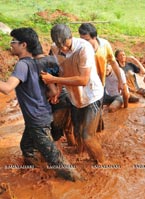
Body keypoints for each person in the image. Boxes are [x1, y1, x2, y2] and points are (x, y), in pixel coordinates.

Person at [0, 27, 80, 181]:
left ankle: (78, 183)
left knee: (56, 160)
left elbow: (7, 88)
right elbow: (51, 91)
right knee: (27, 148)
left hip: (37, 120)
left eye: (13, 42)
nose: (11, 45)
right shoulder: (36, 63)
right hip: (41, 116)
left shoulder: (22, 65)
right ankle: (38, 174)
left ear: (24, 45)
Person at [41, 24, 105, 164]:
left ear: (71, 37)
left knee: (88, 136)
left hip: (92, 95)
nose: (63, 48)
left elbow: (83, 80)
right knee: (77, 133)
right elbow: (63, 70)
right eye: (59, 45)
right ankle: (81, 156)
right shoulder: (55, 47)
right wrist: (57, 89)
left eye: (65, 44)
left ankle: (101, 164)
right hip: (74, 96)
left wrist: (53, 79)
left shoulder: (84, 48)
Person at [32, 42, 75, 145]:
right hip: (67, 98)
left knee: (53, 134)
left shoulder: (38, 64)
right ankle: (75, 151)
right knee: (68, 129)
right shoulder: (62, 62)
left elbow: (51, 90)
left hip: (57, 100)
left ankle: (53, 158)